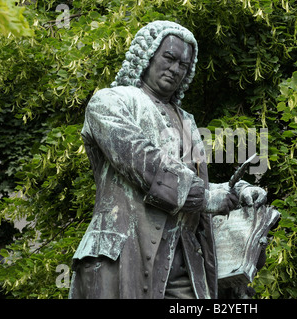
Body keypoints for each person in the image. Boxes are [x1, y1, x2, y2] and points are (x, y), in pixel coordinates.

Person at [69, 20, 266, 299]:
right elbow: (142, 162)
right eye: (169, 58)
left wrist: (236, 191)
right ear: (147, 55)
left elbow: (198, 187)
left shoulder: (187, 121)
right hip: (123, 257)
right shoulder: (109, 101)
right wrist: (207, 198)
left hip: (185, 264)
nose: (175, 69)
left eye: (183, 66)